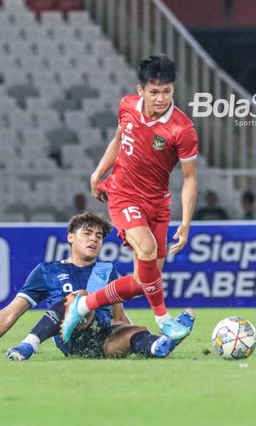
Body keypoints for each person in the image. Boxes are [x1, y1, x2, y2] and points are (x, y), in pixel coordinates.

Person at [60, 54, 198, 343]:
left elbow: (189, 179)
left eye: (167, 91)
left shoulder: (182, 130)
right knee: (146, 247)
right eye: (154, 92)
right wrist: (98, 173)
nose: (161, 99)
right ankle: (164, 320)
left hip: (159, 204)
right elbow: (118, 140)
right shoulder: (126, 106)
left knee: (143, 282)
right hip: (123, 194)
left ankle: (83, 305)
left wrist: (185, 223)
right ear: (141, 91)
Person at [0, 212, 192, 361]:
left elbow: (118, 317)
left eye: (99, 236)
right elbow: (10, 312)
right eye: (87, 233)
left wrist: (130, 331)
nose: (94, 239)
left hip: (101, 341)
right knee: (80, 298)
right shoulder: (47, 271)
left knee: (137, 331)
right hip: (70, 338)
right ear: (70, 237)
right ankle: (30, 343)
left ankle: (161, 343)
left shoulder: (107, 269)